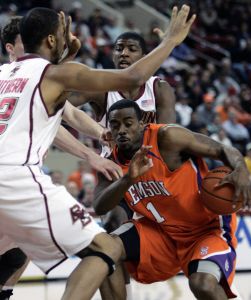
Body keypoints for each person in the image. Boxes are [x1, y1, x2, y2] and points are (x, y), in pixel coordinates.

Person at [0, 6, 195, 300]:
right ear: (52, 40)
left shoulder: (5, 72)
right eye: (64, 33)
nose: (71, 37)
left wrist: (66, 57)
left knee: (13, 257)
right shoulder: (58, 73)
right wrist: (170, 41)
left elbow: (49, 97)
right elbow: (132, 77)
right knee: (105, 248)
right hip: (15, 179)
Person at [0, 16, 123, 299]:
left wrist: (99, 132)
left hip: (16, 177)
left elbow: (67, 113)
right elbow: (56, 124)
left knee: (20, 251)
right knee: (100, 247)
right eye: (25, 41)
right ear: (10, 48)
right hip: (14, 177)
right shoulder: (24, 78)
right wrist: (91, 155)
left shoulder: (32, 76)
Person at [93, 99, 251, 300]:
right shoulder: (111, 164)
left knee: (202, 285)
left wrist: (241, 168)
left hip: (205, 229)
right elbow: (99, 206)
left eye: (128, 123)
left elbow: (221, 150)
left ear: (142, 124)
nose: (122, 130)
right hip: (161, 233)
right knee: (104, 249)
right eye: (115, 126)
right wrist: (128, 179)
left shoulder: (167, 137)